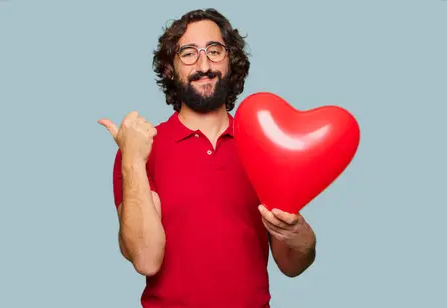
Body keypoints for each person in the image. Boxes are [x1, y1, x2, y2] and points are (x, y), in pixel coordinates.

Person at [97, 8, 317, 308]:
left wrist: (301, 237)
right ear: (170, 69)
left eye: (214, 51)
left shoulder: (264, 146)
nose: (204, 64)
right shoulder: (141, 149)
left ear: (230, 61)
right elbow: (146, 258)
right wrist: (133, 159)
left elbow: (292, 264)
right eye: (188, 53)